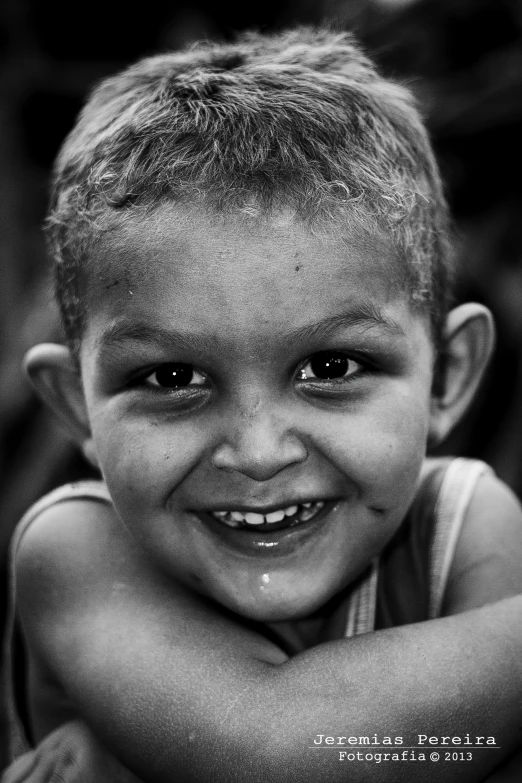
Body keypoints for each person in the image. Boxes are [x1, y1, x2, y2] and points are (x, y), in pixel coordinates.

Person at [3, 27, 522, 783]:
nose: (257, 452)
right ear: (76, 406)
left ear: (447, 376)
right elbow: (275, 753)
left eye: (332, 365)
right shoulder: (76, 550)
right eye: (173, 378)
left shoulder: (466, 525)